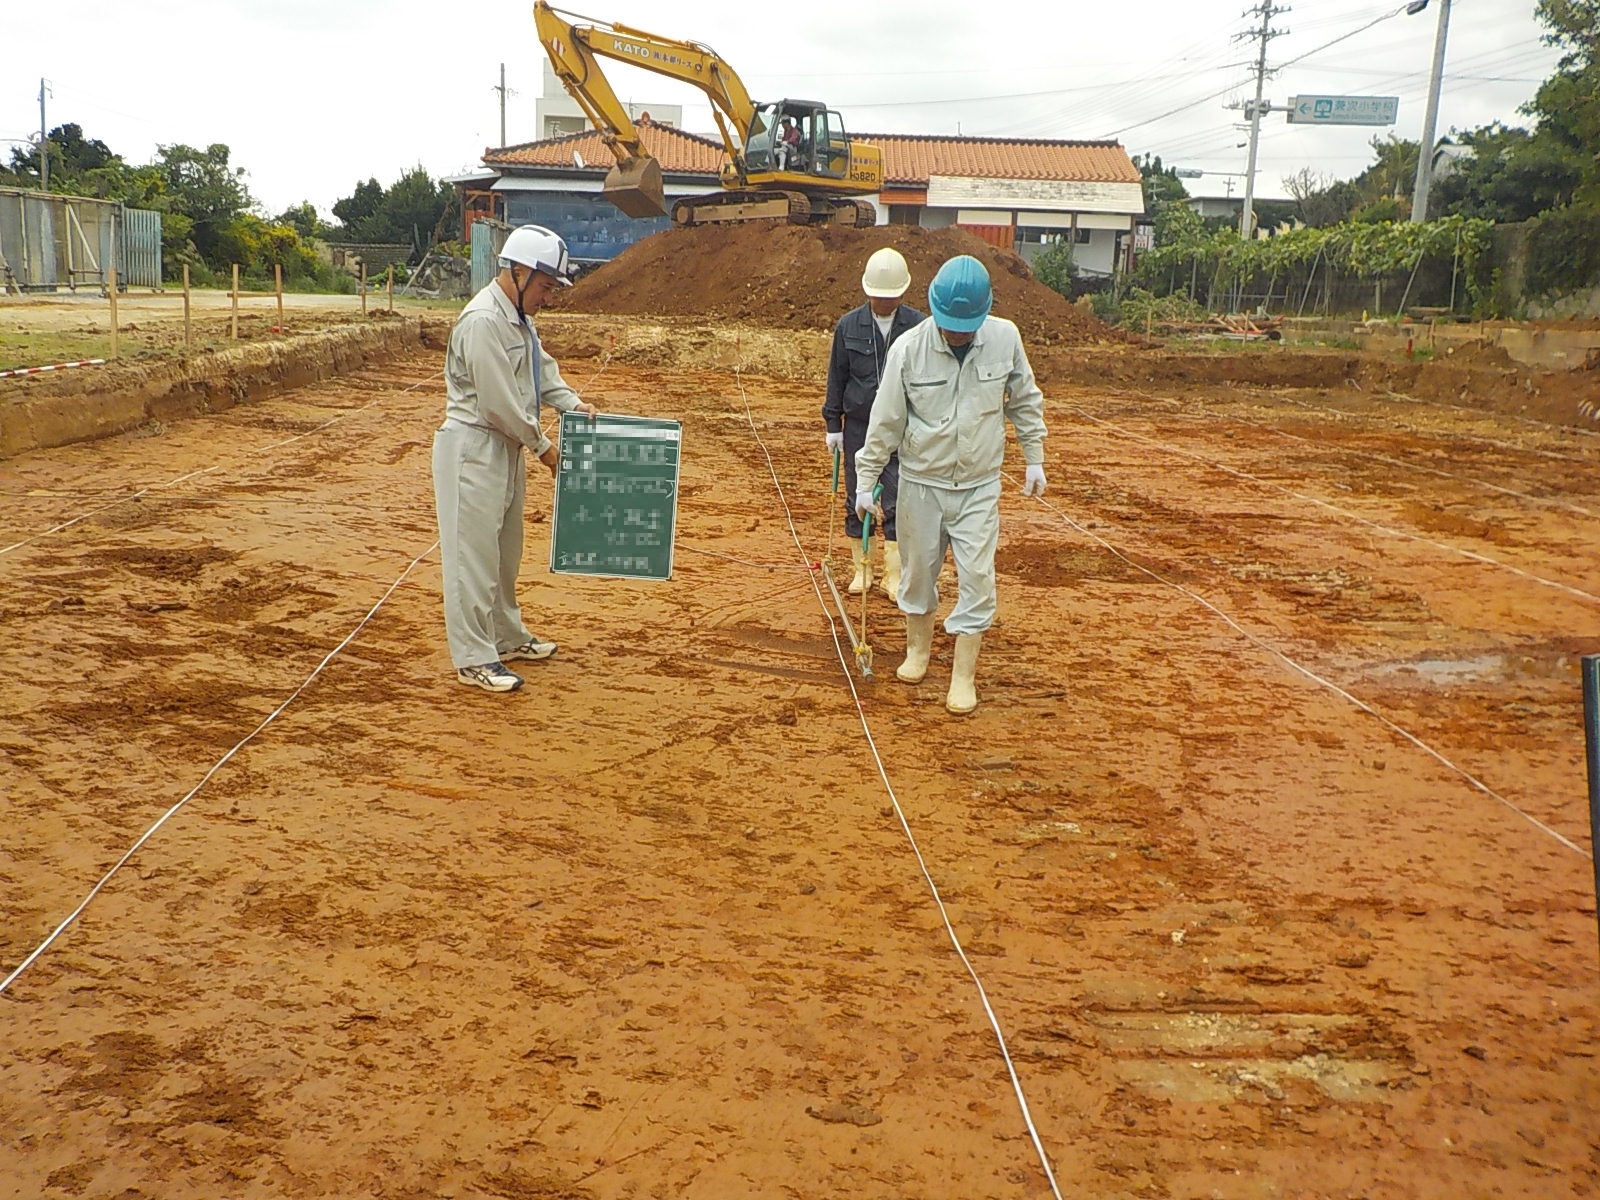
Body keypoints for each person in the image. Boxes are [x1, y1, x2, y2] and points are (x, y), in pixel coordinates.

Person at [854, 254, 1047, 715]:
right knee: (919, 573)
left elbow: (1024, 400)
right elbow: (884, 423)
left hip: (979, 486)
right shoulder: (909, 349)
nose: (957, 332)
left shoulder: (1005, 339)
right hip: (921, 483)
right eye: (950, 323)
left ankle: (963, 676)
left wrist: (1034, 457)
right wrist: (865, 482)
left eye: (966, 325)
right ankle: (918, 651)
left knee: (978, 578)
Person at [432, 224, 599, 693]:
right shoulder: (483, 320)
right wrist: (544, 447)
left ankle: (506, 636)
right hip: (474, 447)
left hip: (503, 447)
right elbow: (499, 401)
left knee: (504, 553)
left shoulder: (519, 319)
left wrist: (571, 403)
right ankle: (474, 658)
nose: (547, 296)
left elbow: (540, 371)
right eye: (545, 286)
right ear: (520, 272)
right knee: (473, 558)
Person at [824, 246, 923, 601]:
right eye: (878, 297)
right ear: (868, 292)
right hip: (858, 428)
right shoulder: (848, 326)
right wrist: (832, 423)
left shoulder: (918, 327)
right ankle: (862, 568)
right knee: (857, 496)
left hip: (902, 429)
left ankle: (893, 575)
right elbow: (837, 376)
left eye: (890, 296)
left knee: (898, 499)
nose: (884, 302)